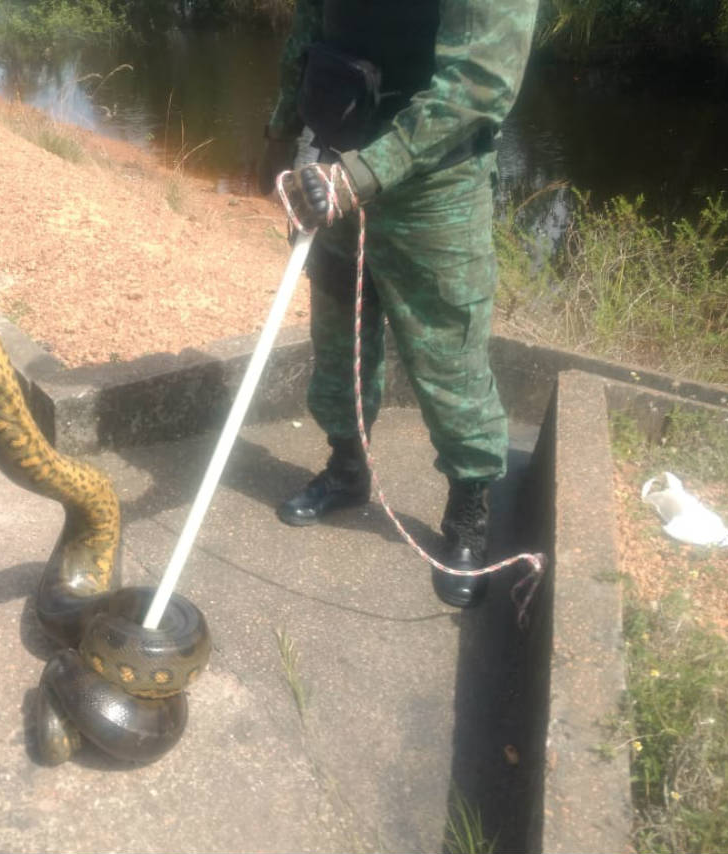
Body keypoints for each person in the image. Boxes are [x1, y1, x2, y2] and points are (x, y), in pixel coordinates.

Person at [259, 0, 539, 608]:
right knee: (337, 335)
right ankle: (347, 469)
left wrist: (364, 175)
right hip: (333, 162)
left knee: (448, 358)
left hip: (435, 192)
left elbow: (478, 82)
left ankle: (468, 515)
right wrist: (284, 127)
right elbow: (312, 24)